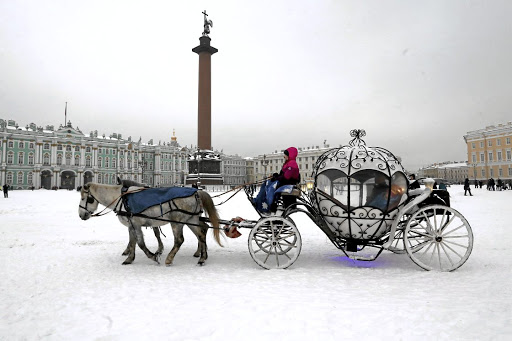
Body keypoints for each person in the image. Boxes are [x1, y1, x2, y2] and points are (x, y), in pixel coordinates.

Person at [253, 147, 300, 212]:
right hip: (285, 183)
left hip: (287, 184)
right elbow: (283, 175)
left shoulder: (292, 163)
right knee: (266, 183)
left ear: (290, 155)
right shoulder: (288, 163)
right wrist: (276, 176)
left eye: (285, 155)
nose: (284, 156)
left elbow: (286, 177)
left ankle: (267, 203)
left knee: (270, 186)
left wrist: (276, 178)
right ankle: (259, 200)